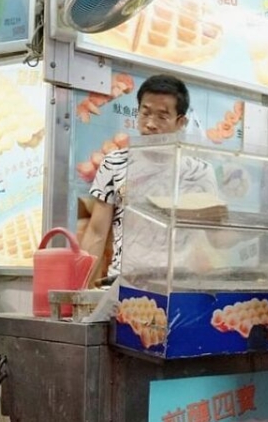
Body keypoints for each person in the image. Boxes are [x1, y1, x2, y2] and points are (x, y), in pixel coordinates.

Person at [81, 75, 217, 281]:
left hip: (178, 284)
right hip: (123, 283)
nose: (150, 124)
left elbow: (215, 236)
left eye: (162, 116)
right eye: (145, 113)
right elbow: (97, 233)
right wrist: (80, 292)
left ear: (181, 121)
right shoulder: (114, 163)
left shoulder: (199, 172)